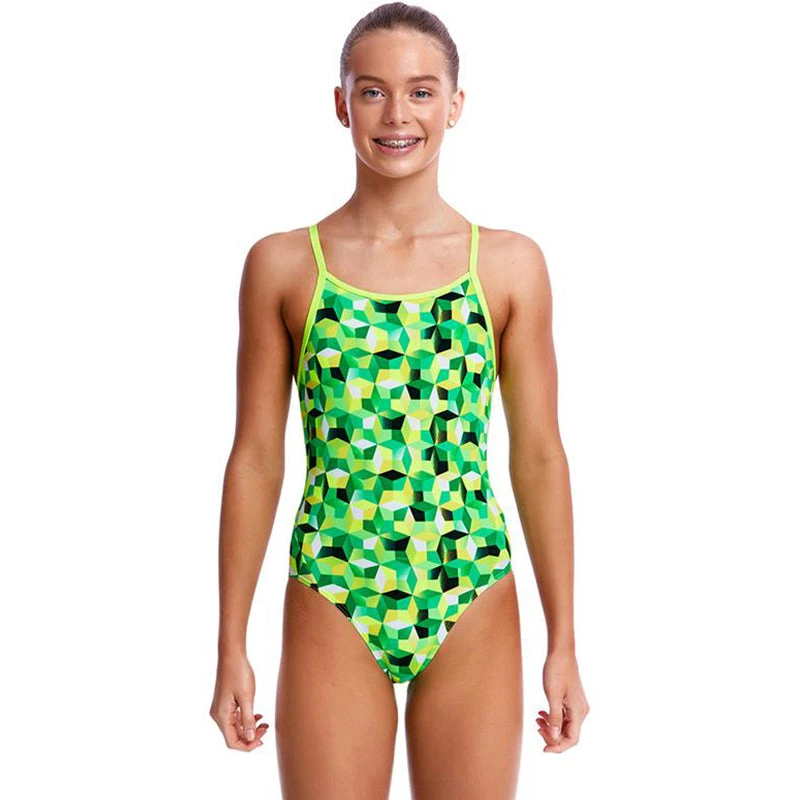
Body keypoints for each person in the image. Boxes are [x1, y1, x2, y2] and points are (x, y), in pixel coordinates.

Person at [209, 2, 589, 796]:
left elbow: (539, 455)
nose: (396, 114)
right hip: (335, 584)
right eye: (372, 91)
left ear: (455, 104)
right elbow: (255, 458)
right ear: (341, 103)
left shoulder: (508, 266)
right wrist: (230, 644)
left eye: (421, 91)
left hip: (469, 581)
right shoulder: (285, 265)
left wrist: (564, 642)